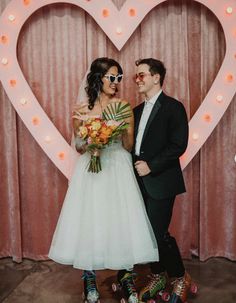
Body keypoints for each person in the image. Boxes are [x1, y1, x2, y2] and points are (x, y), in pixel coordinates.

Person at [48, 57, 158, 303]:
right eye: (112, 77)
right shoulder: (81, 110)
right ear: (98, 78)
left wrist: (120, 129)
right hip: (91, 169)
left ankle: (126, 276)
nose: (117, 82)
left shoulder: (124, 106)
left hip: (118, 166)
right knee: (91, 218)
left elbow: (129, 146)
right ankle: (89, 277)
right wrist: (93, 141)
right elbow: (78, 147)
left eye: (119, 78)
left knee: (121, 219)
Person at [132, 58, 190, 303]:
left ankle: (178, 277)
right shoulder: (135, 110)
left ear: (156, 77)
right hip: (137, 183)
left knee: (157, 233)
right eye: (136, 76)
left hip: (162, 181)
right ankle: (157, 275)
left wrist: (151, 166)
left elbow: (179, 144)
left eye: (142, 75)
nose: (138, 80)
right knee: (147, 234)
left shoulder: (174, 107)